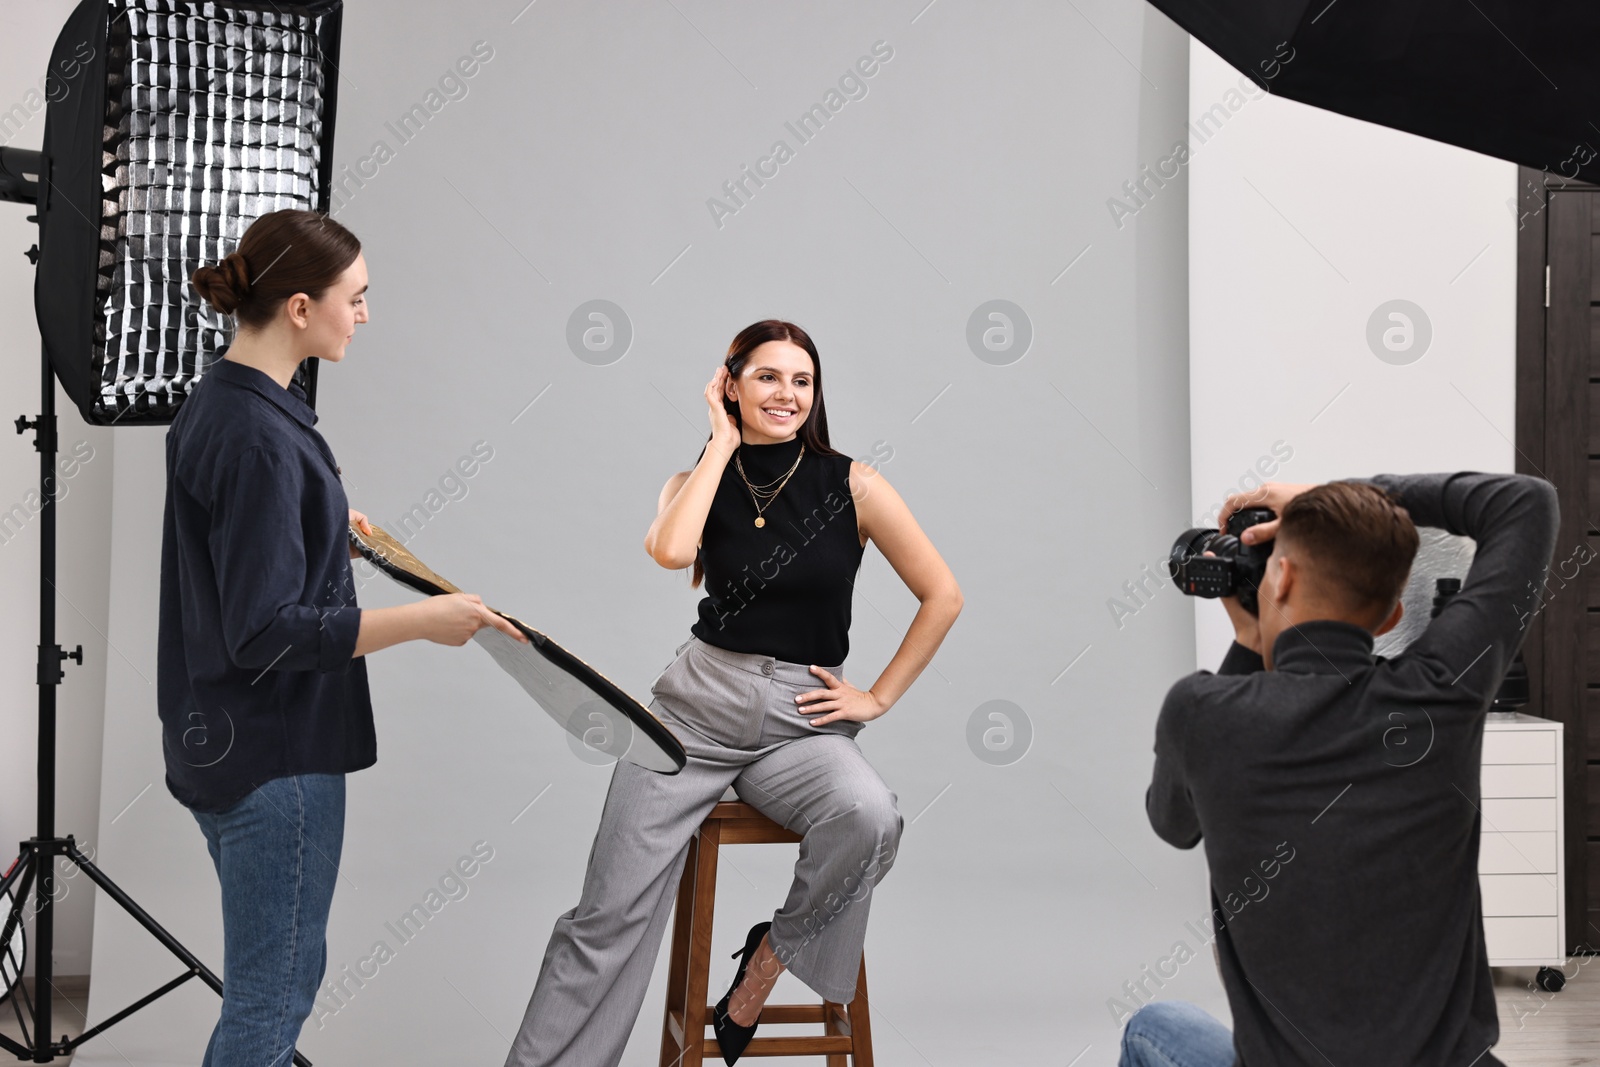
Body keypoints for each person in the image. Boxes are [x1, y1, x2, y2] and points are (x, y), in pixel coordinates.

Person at [503, 319, 962, 1067]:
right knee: (605, 917)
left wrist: (875, 697)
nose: (786, 394)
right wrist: (719, 440)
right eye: (767, 377)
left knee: (871, 816)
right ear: (731, 384)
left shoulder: (855, 485)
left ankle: (766, 963)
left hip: (801, 724)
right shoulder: (695, 481)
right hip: (692, 716)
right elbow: (671, 550)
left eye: (801, 380)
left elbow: (943, 593)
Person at [163, 208, 525, 1067]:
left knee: (271, 985)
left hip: (217, 740)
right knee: (270, 999)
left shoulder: (222, 402)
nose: (364, 315)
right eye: (354, 298)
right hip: (273, 759)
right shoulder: (260, 439)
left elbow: (230, 555)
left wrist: (326, 524)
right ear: (298, 306)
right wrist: (422, 623)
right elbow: (262, 632)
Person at [1123, 472, 1558, 1067]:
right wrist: (1343, 497)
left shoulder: (1201, 715)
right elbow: (1527, 502)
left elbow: (1172, 823)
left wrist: (1250, 644)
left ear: (1283, 576)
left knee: (1154, 1025)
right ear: (1390, 617)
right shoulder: (1440, 694)